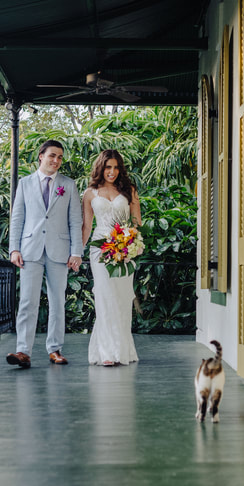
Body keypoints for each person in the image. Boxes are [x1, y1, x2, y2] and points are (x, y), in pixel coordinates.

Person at [7, 140, 83, 368]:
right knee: (28, 302)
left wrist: (76, 252)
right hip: (30, 250)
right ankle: (23, 351)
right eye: (52, 155)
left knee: (57, 302)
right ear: (41, 156)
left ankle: (55, 349)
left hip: (59, 251)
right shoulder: (25, 183)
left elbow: (75, 220)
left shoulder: (68, 185)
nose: (56, 161)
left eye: (60, 157)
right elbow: (17, 217)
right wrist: (14, 248)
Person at [82, 150, 142, 366]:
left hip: (125, 249)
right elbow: (87, 226)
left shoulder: (129, 191)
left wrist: (128, 242)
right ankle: (107, 352)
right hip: (100, 250)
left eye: (116, 167)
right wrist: (76, 253)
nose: (112, 171)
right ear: (101, 168)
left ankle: (122, 350)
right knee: (105, 297)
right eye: (108, 167)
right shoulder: (90, 193)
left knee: (123, 297)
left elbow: (136, 221)